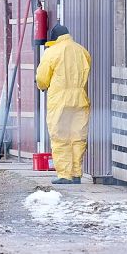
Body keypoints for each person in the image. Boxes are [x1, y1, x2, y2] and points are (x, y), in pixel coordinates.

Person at [36, 23, 91, 185]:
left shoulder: (52, 52)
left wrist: (42, 86)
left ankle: (65, 175)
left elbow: (42, 78)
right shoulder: (82, 51)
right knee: (78, 137)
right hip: (80, 98)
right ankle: (76, 173)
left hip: (59, 101)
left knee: (60, 137)